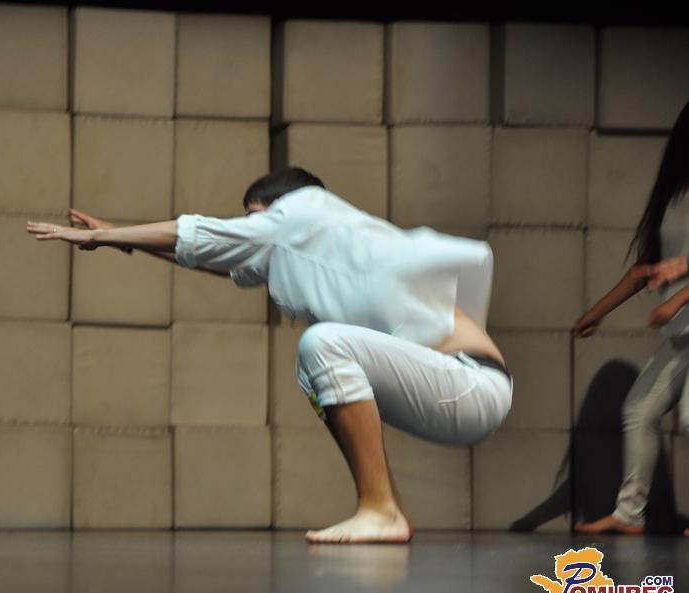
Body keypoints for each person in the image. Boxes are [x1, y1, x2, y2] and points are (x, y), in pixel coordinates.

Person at [27, 167, 513, 544]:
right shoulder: (329, 233)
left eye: (252, 219)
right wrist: (122, 238)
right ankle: (385, 510)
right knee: (320, 354)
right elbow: (221, 256)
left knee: (323, 344)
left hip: (469, 383)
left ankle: (380, 509)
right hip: (463, 388)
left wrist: (102, 236)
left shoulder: (299, 214)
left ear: (272, 208)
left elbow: (202, 234)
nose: (249, 230)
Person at [574, 101, 689, 537]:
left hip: (682, 319)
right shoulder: (672, 198)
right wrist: (596, 313)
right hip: (680, 335)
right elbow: (645, 270)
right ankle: (629, 514)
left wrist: (675, 302)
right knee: (639, 410)